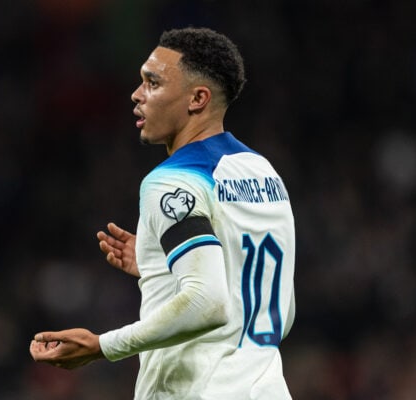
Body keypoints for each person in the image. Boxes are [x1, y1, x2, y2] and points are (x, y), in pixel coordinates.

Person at [30, 27, 296, 399]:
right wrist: (163, 268)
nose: (136, 95)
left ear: (197, 98)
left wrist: (103, 345)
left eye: (152, 83)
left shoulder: (170, 181)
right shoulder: (264, 173)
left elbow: (207, 302)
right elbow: (278, 308)